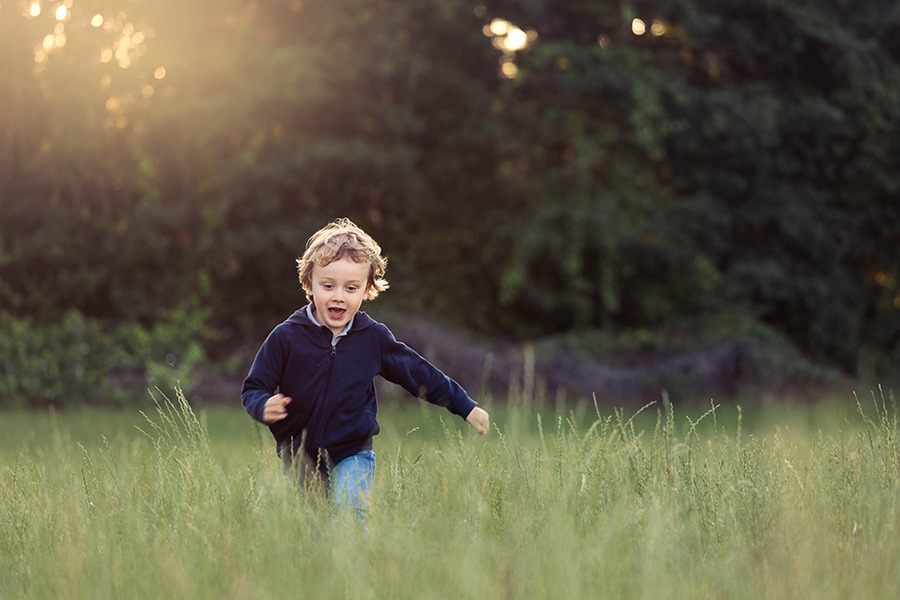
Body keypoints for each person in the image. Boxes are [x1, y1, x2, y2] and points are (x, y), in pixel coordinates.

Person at [241, 218, 490, 520]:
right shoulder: (286, 336)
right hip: (299, 455)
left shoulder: (373, 338)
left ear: (367, 289)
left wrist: (465, 406)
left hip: (352, 452)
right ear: (309, 284)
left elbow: (418, 372)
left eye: (351, 288)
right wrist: (262, 405)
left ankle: (354, 566)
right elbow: (254, 387)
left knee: (349, 516)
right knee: (310, 529)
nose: (338, 296)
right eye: (328, 285)